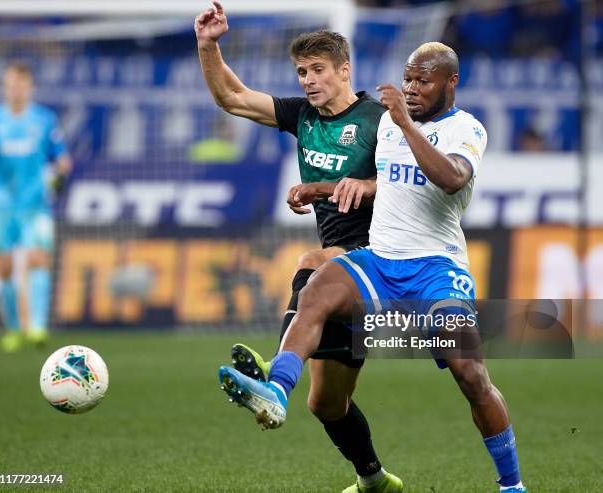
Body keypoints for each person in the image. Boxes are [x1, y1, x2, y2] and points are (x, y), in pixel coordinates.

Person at [219, 42, 528, 493]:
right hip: (379, 261)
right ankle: (276, 390)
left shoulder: (466, 129)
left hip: (436, 269)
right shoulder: (386, 125)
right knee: (316, 290)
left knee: (470, 374)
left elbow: (451, 179)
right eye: (408, 80)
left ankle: (511, 484)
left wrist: (405, 121)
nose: (412, 88)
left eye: (423, 81)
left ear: (450, 82)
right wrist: (323, 187)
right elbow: (389, 186)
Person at [195, 3, 403, 492]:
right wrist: (208, 45)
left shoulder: (380, 120)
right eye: (302, 72)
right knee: (327, 403)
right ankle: (374, 480)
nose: (308, 80)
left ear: (344, 70)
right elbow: (232, 97)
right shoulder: (303, 116)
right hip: (342, 275)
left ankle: (273, 376)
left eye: (318, 70)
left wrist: (358, 183)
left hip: (383, 260)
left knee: (312, 263)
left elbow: (414, 184)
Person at [0, 62, 72, 352]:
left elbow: (62, 159)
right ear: (5, 87)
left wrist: (57, 178)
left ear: (30, 88)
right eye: (11, 84)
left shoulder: (44, 120)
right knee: (2, 268)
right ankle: (14, 329)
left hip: (36, 204)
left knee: (38, 259)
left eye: (21, 84)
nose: (16, 89)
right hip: (0, 205)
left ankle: (37, 327)